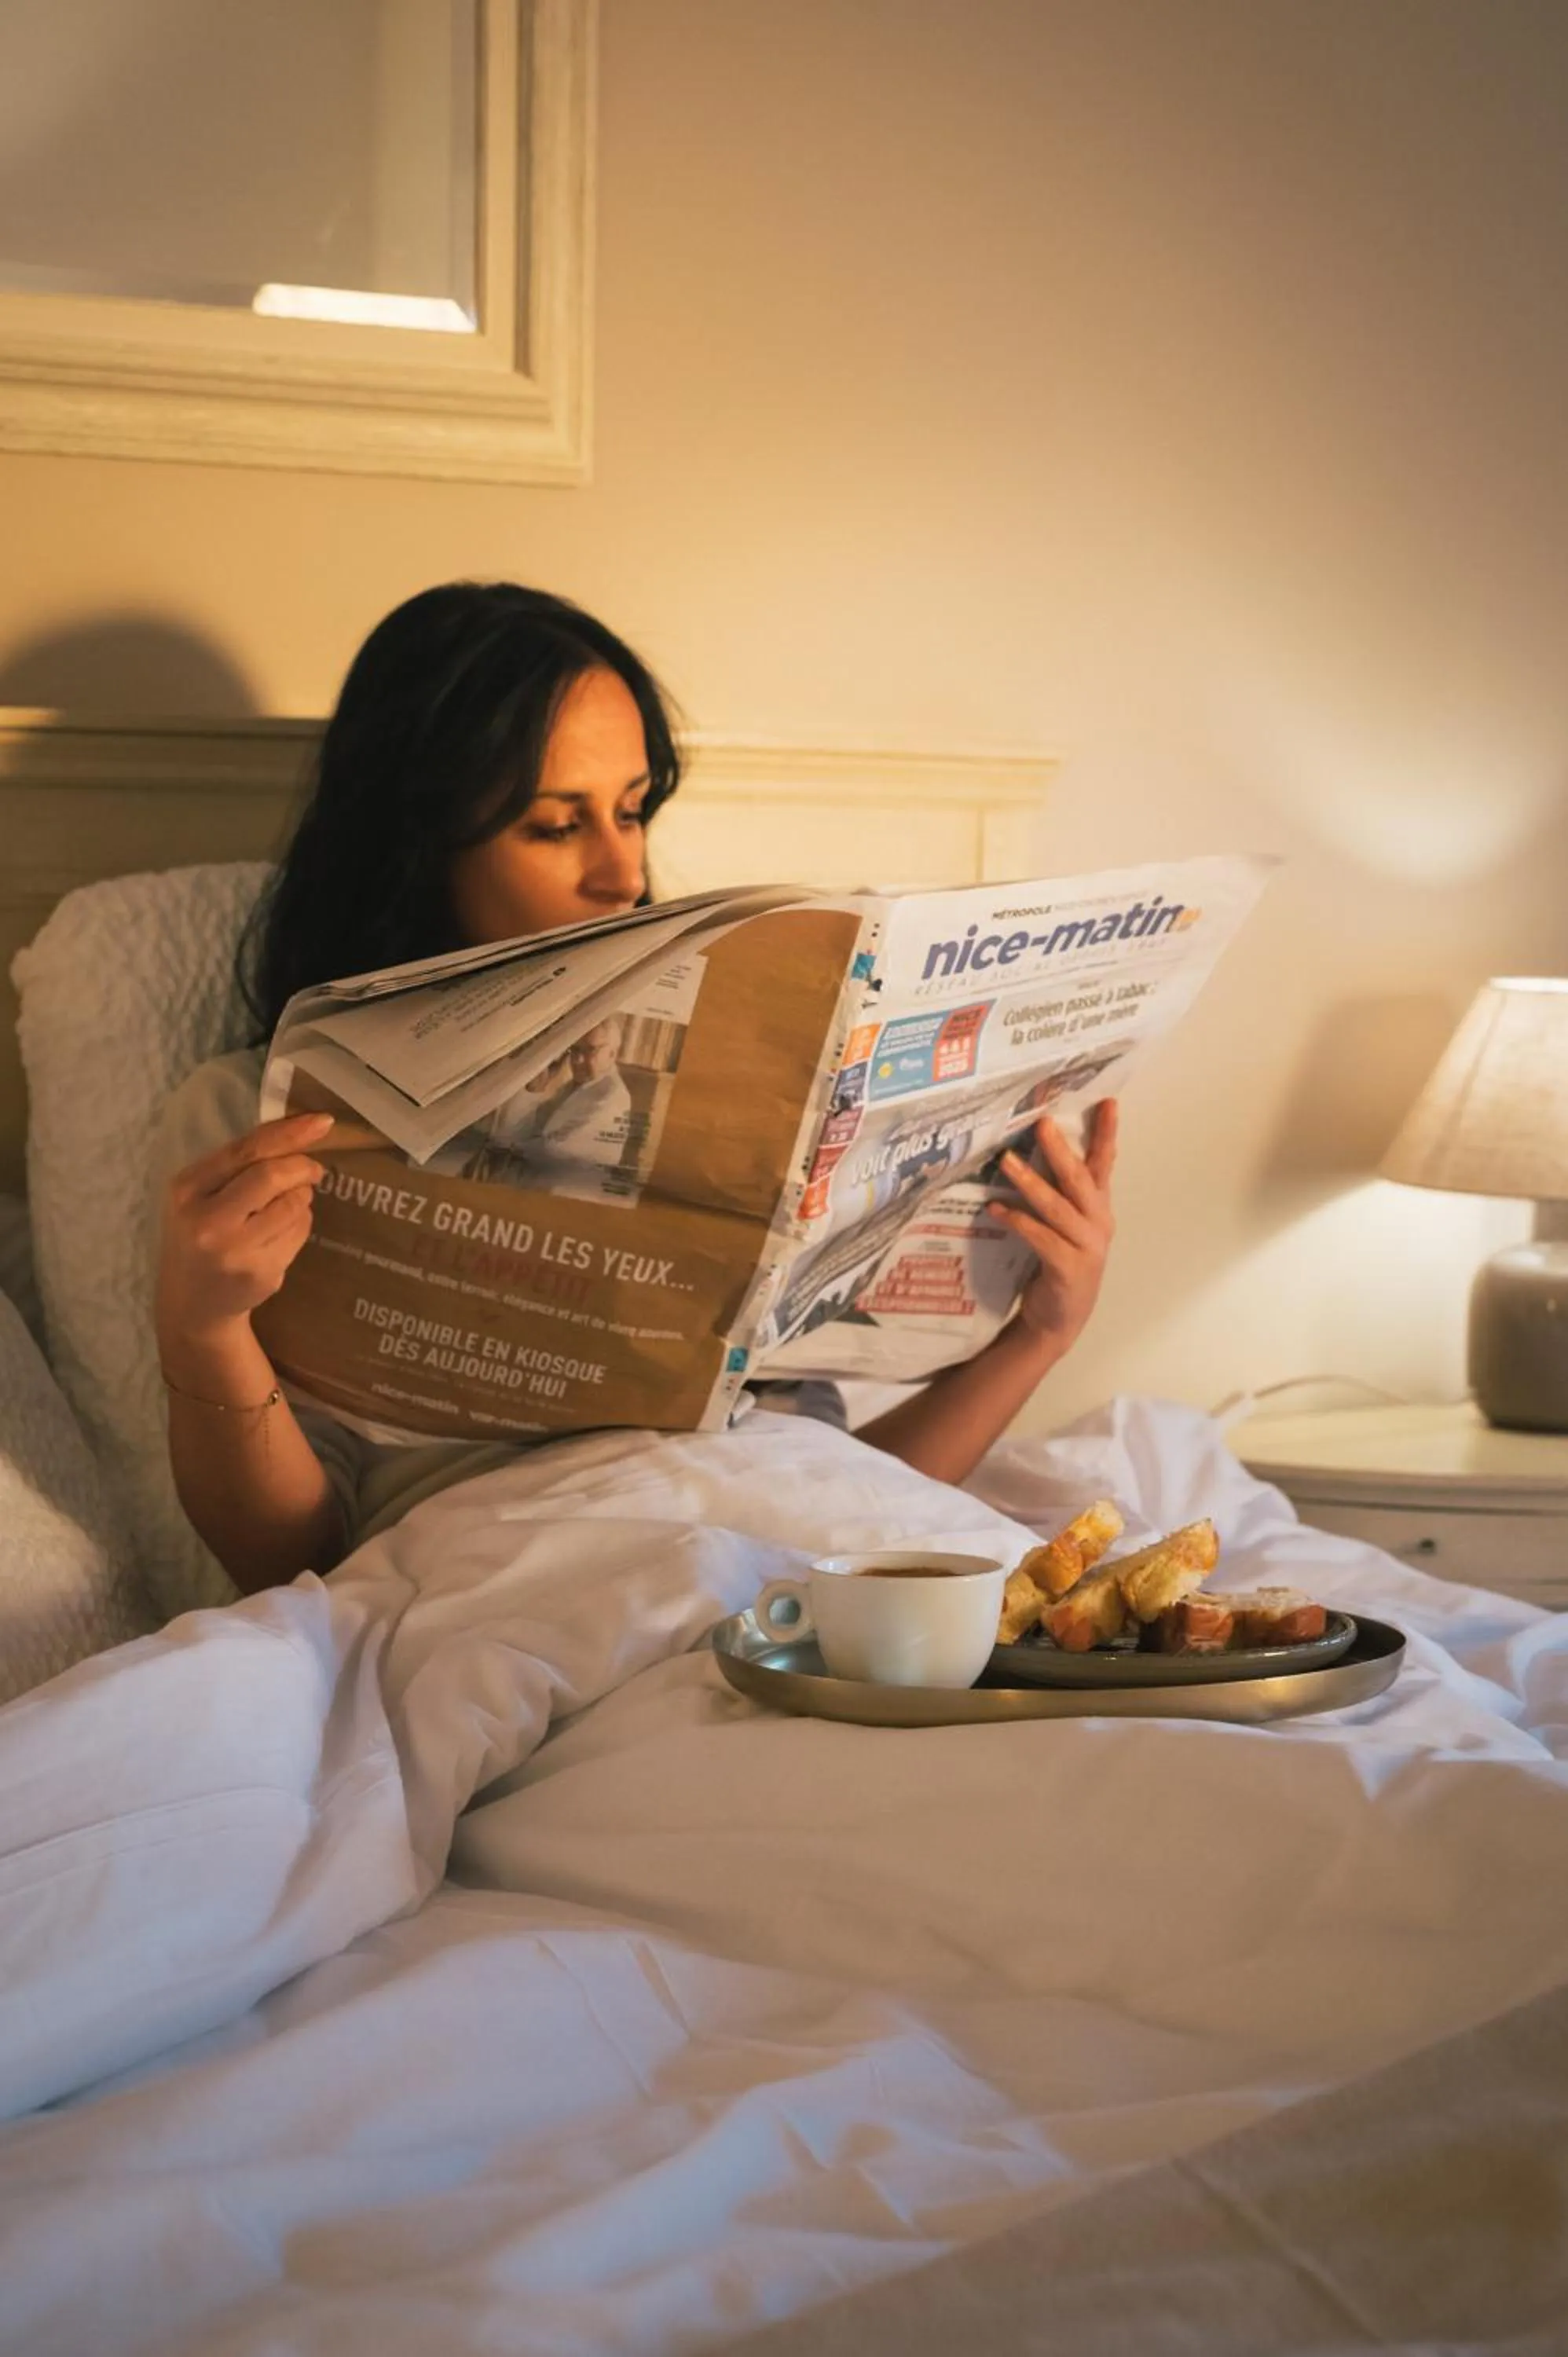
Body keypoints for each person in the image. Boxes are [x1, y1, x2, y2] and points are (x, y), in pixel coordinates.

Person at [155, 582, 1117, 1596]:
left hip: (808, 1563)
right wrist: (205, 1331)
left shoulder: (751, 1083)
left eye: (631, 811)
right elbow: (288, 1560)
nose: (623, 873)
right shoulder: (249, 1121)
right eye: (555, 825)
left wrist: (1036, 1337)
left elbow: (850, 1502)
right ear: (416, 844)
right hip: (536, 1579)